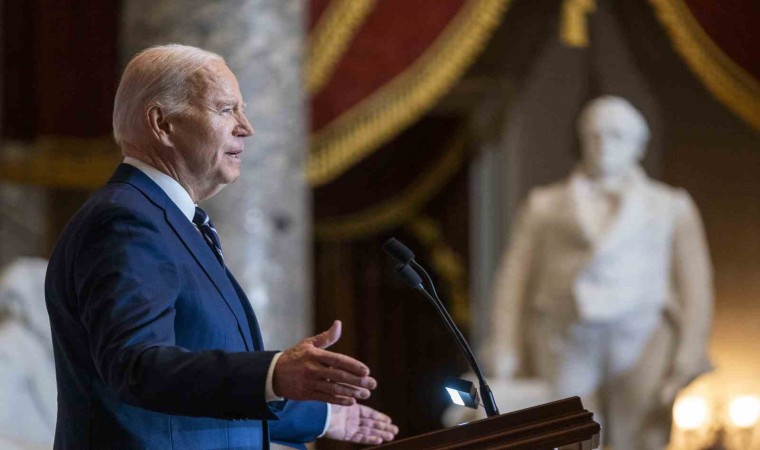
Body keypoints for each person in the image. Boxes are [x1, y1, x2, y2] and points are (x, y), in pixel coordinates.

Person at [45, 44, 398, 449]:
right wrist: (274, 374)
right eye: (226, 109)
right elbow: (137, 367)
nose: (246, 127)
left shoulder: (166, 220)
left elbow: (191, 385)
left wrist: (320, 415)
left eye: (242, 110)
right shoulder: (126, 221)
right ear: (163, 123)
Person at [481, 96, 713, 449]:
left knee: (642, 438)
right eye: (595, 135)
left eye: (617, 135)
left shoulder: (670, 206)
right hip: (565, 337)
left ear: (638, 145)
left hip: (643, 336)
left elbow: (696, 287)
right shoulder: (545, 205)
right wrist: (504, 342)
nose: (604, 145)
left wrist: (689, 354)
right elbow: (513, 281)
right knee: (567, 435)